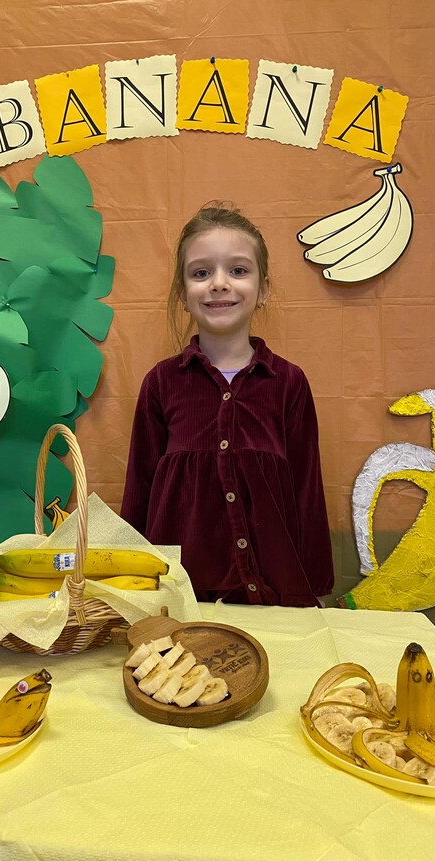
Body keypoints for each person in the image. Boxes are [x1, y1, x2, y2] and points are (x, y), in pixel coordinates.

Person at [121, 201, 334, 607]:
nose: (219, 283)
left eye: (238, 270)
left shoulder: (289, 383)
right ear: (183, 294)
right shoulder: (161, 383)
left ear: (263, 289)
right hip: (179, 600)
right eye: (201, 273)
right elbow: (139, 492)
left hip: (274, 600)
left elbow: (307, 491)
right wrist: (129, 583)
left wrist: (314, 586)